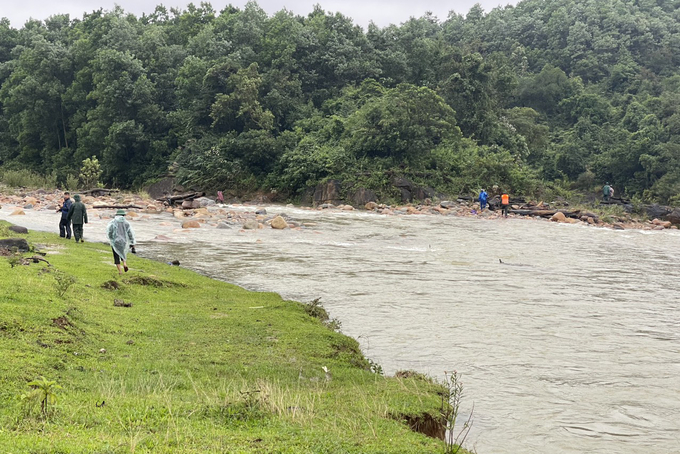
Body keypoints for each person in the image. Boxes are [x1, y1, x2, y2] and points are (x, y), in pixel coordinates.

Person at [107, 209, 136, 275]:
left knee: (116, 256)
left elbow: (109, 232)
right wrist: (132, 242)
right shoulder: (126, 223)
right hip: (124, 241)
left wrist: (111, 238)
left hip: (115, 241)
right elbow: (130, 233)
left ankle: (120, 271)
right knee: (122, 253)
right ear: (123, 215)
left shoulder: (113, 222)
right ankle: (125, 264)